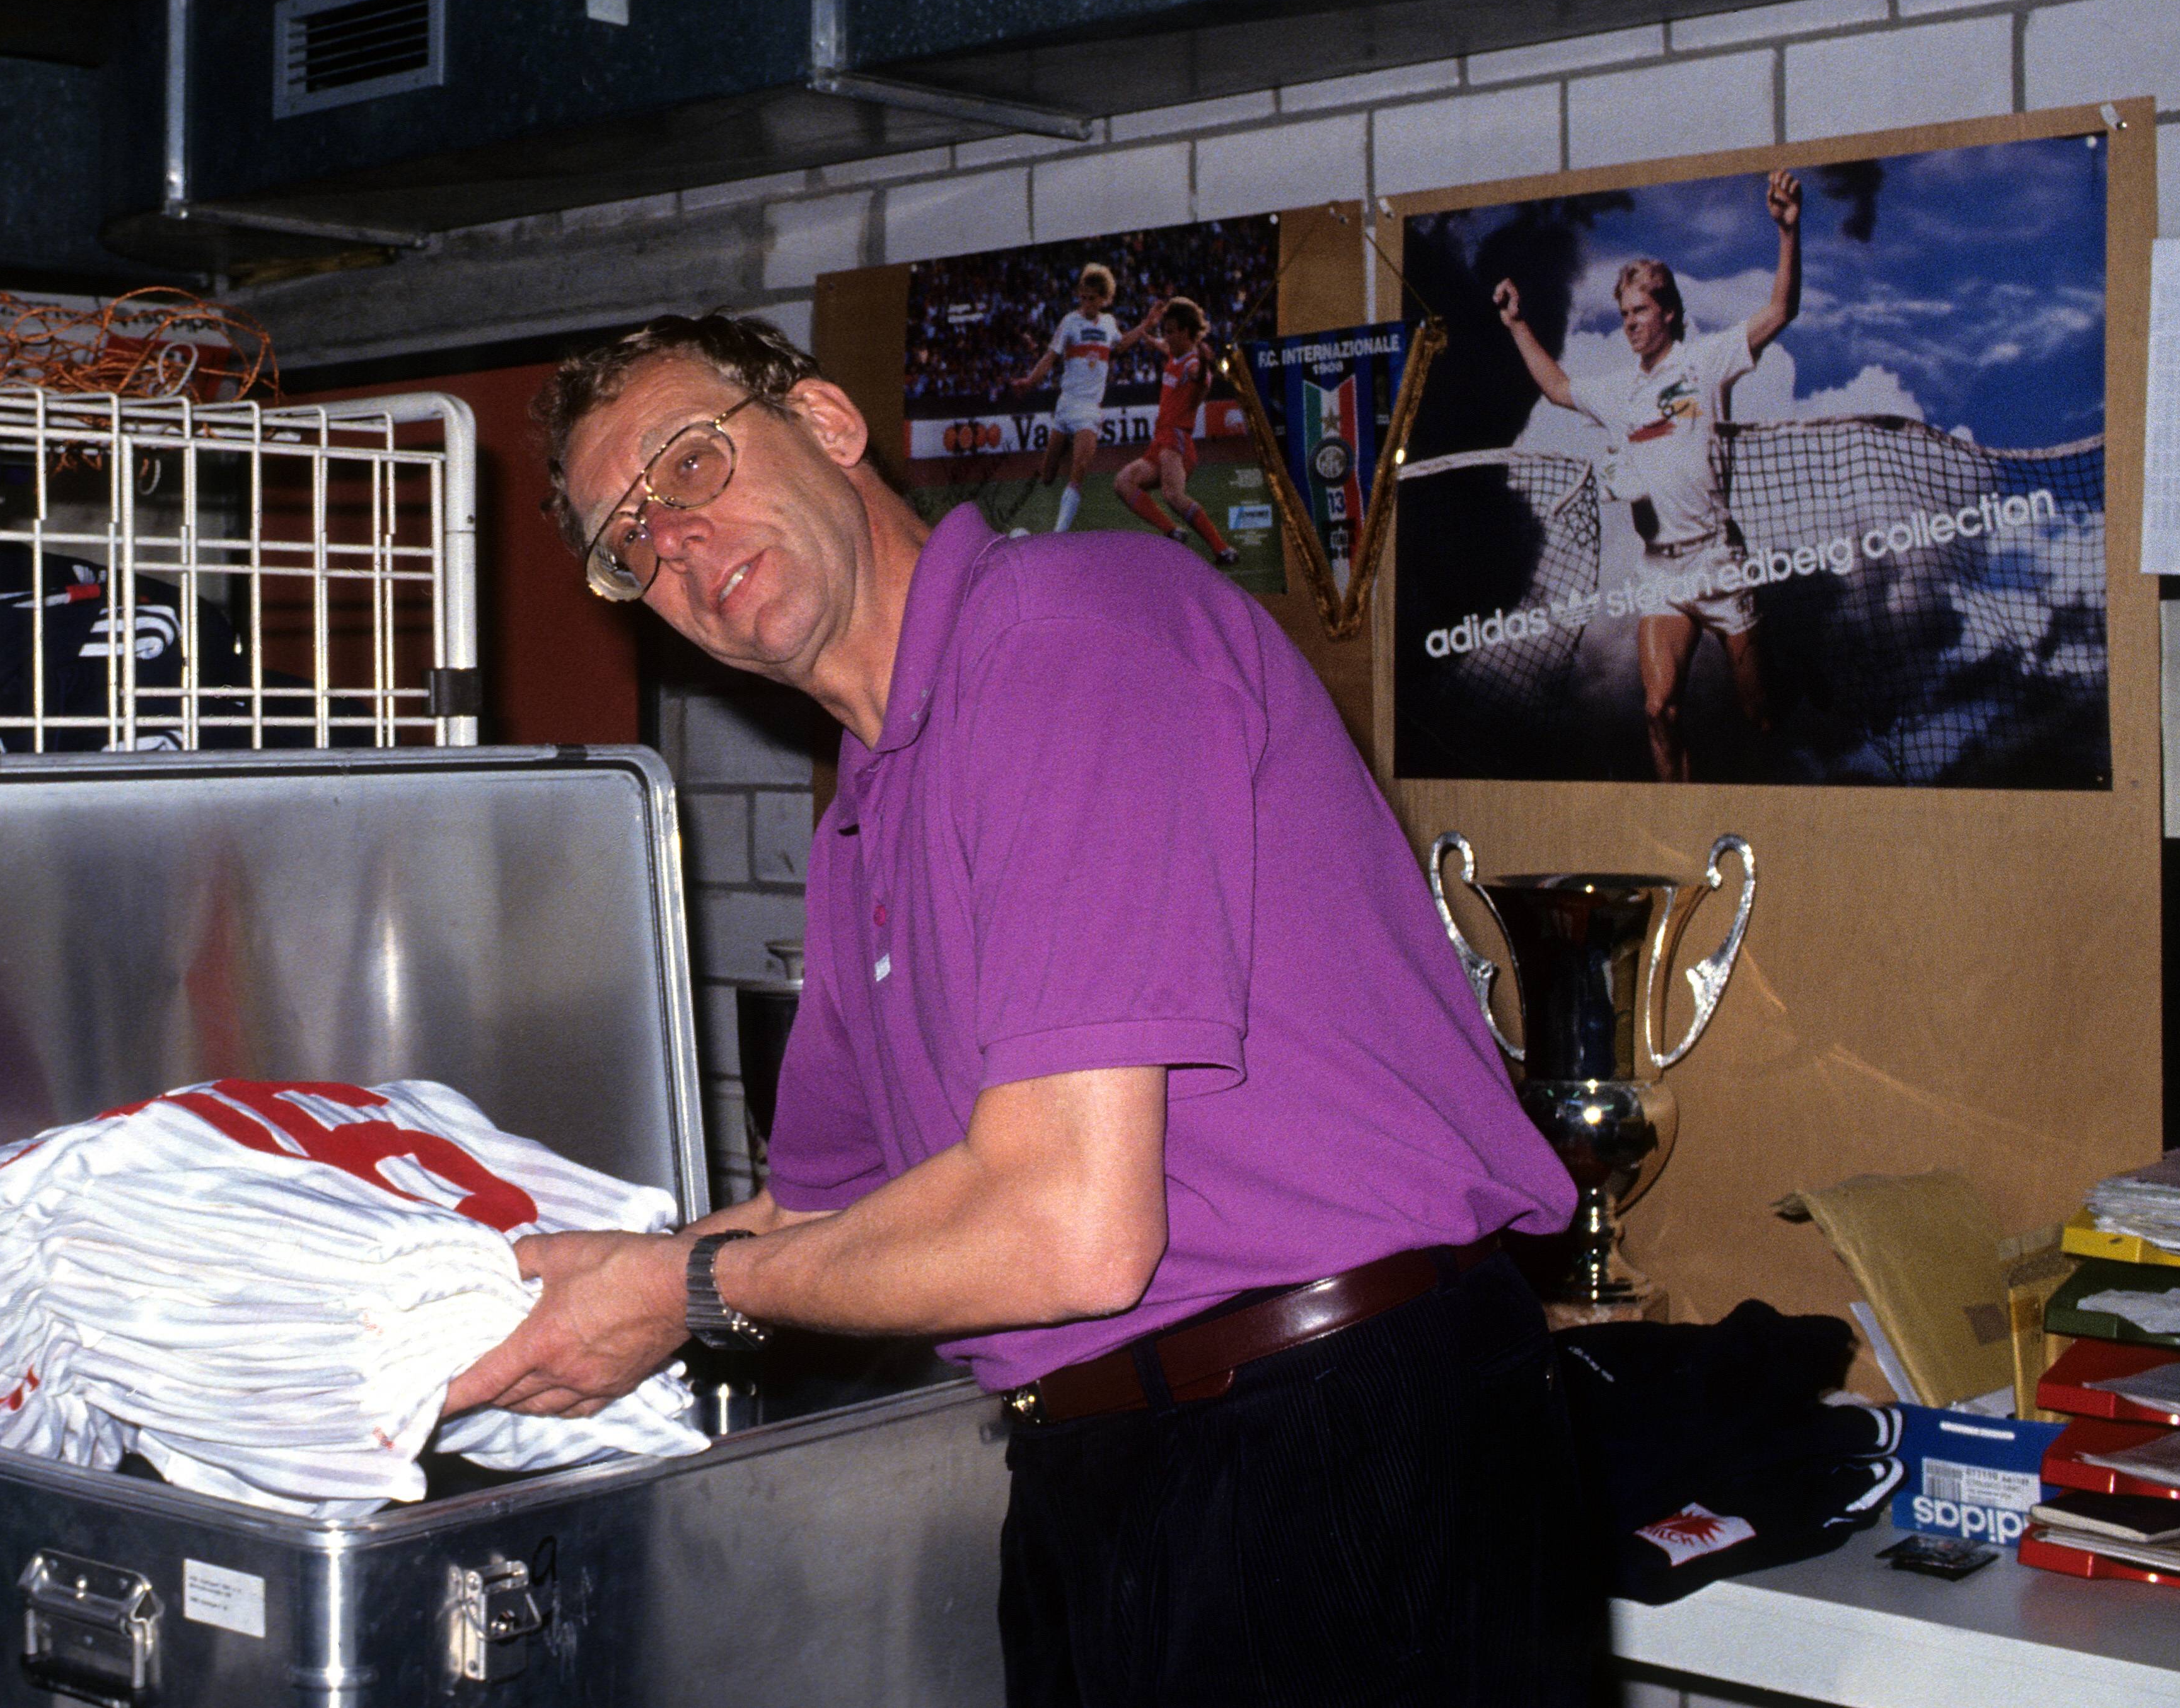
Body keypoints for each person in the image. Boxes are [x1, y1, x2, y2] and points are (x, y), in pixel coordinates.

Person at [454, 312, 1594, 1708]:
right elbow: (825, 1210)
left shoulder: (1070, 633)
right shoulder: (866, 812)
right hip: (1107, 1471)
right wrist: (512, 1301)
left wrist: (675, 1290)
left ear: (823, 422)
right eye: (626, 542)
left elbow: (1067, 1231)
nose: (672, 544)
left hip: (1335, 1445)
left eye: (688, 468)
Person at [1496, 170, 1804, 782]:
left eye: (1640, 310)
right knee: (1658, 710)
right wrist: (1515, 325)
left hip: (1718, 561)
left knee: (1761, 715)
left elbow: (1779, 309)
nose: (1630, 322)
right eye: (1623, 312)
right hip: (1661, 573)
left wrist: (1787, 231)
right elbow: (1557, 387)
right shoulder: (1618, 392)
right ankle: (1679, 828)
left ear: (1667, 312)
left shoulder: (1706, 361)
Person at [1010, 263, 1144, 535]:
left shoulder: (1109, 324)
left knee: (1080, 469)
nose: (1086, 303)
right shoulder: (1070, 322)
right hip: (1066, 406)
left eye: (1092, 298)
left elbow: (1122, 343)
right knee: (1047, 477)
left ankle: (1060, 535)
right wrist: (1030, 381)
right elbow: (1050, 357)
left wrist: (1147, 324)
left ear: (1104, 299)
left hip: (1089, 411)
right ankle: (1065, 450)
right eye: (1082, 297)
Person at [1111, 295, 1239, 564]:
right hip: (1161, 442)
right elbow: (1162, 347)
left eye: (1170, 332)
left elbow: (1202, 380)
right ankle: (1173, 531)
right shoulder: (1176, 353)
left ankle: (1222, 549)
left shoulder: (1193, 363)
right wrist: (1148, 332)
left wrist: (1206, 363)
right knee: (1123, 483)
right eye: (1165, 332)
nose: (1166, 337)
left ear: (1184, 332)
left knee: (1173, 496)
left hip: (1176, 443)